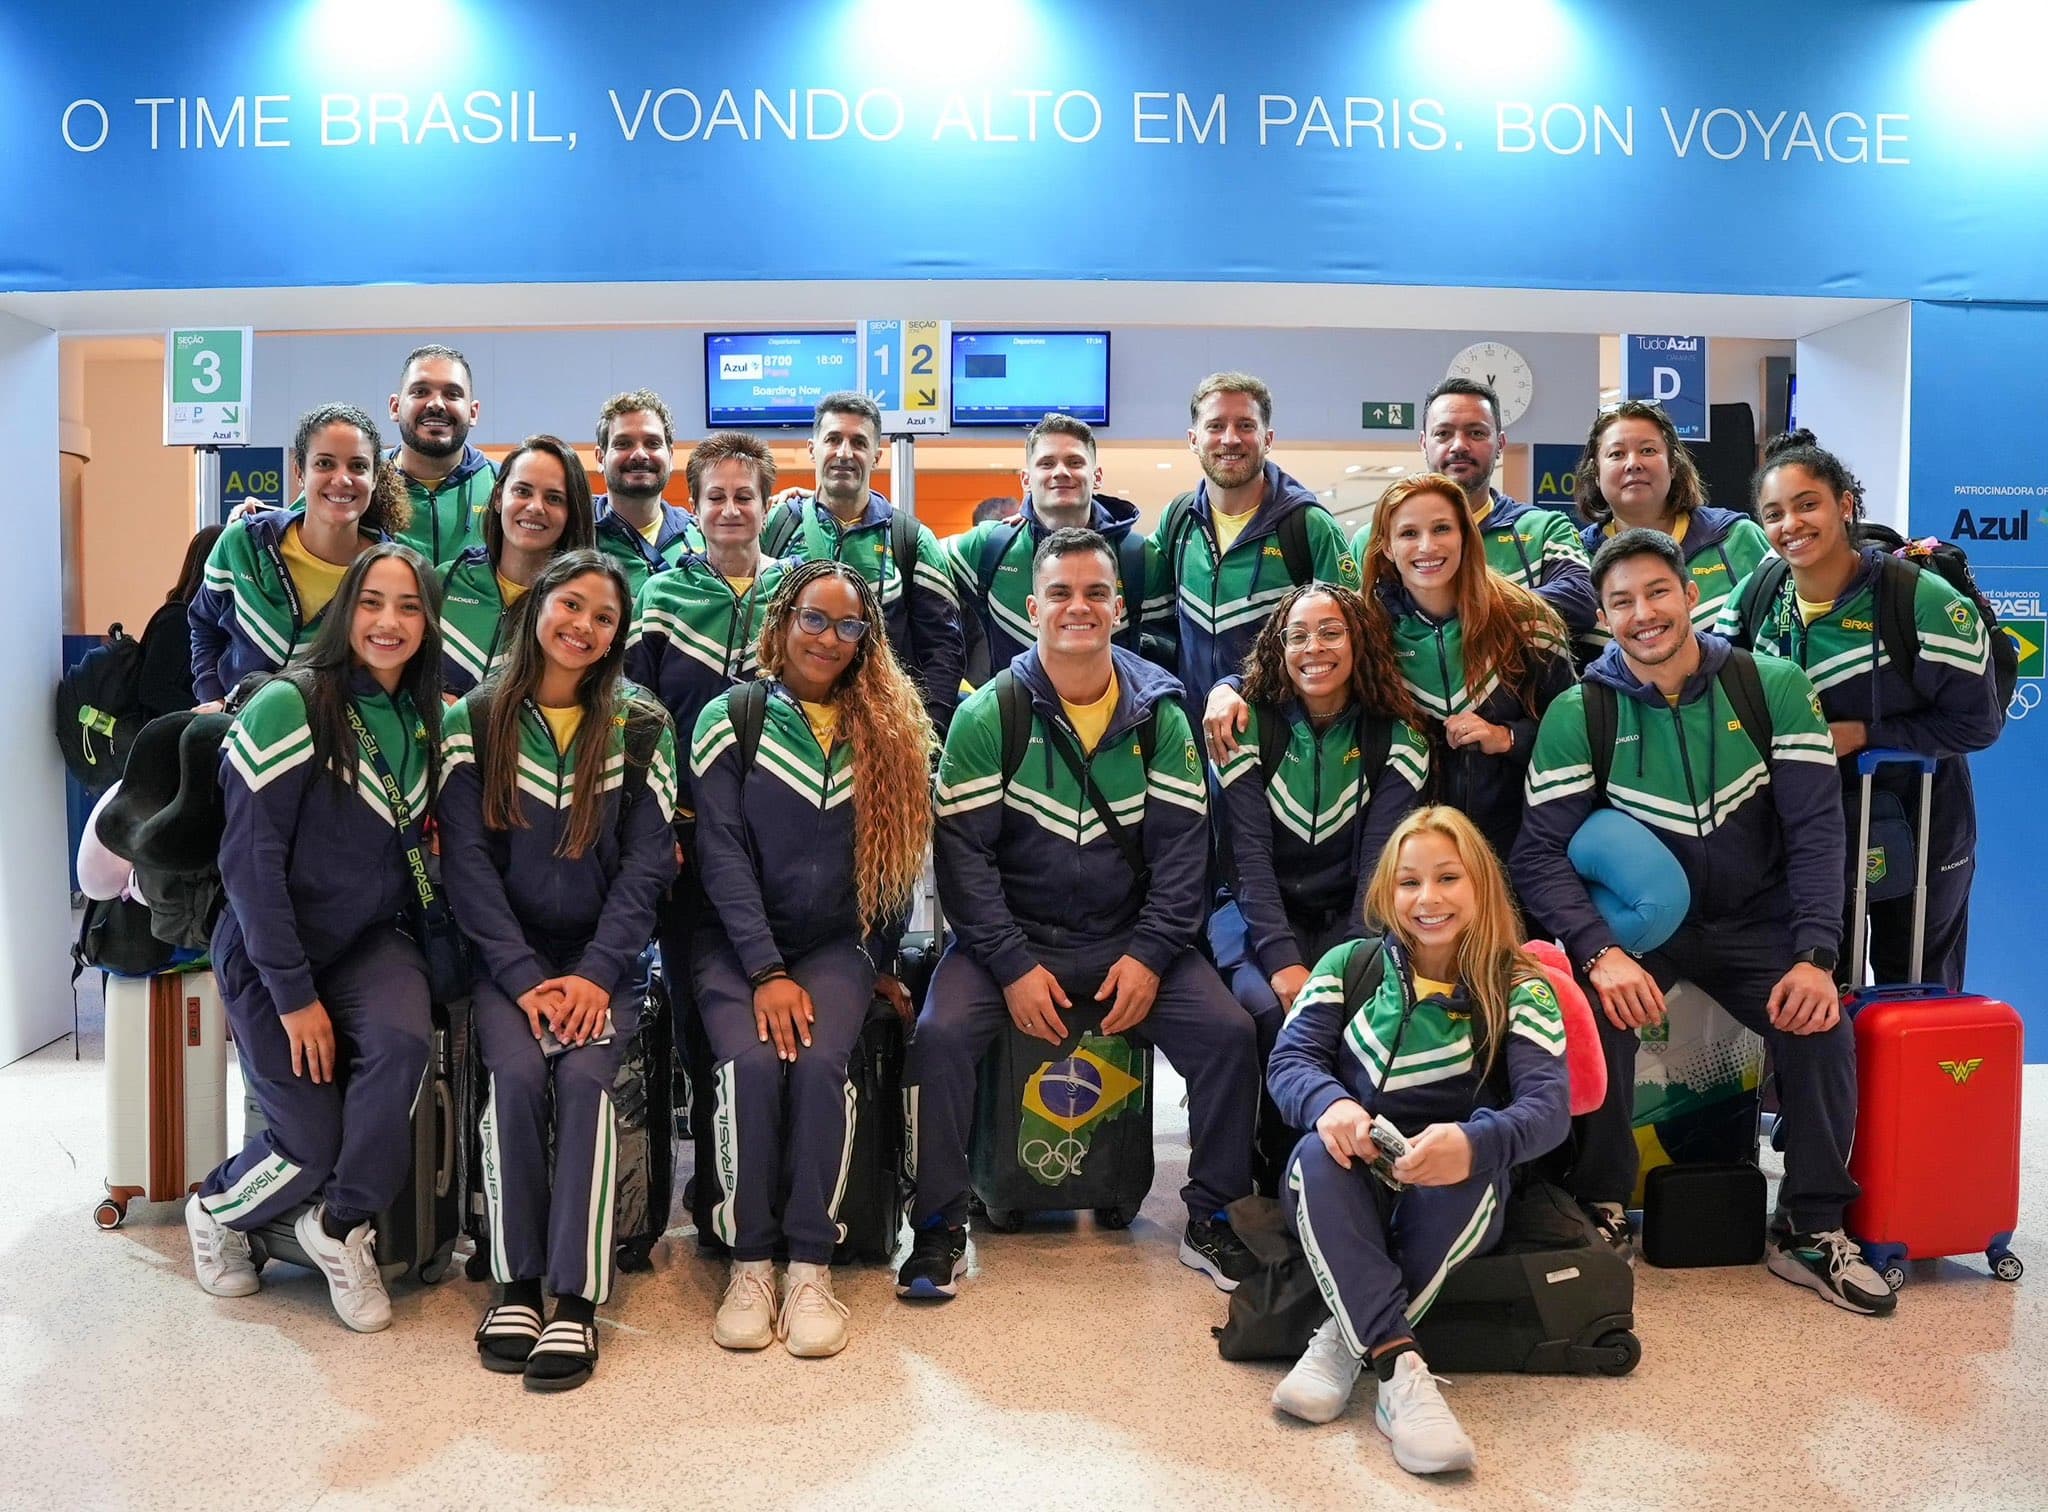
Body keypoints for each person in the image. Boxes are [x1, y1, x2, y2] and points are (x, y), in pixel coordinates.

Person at [1511, 529, 1894, 1315]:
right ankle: (1601, 1203)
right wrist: (1599, 952)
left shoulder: (1771, 684)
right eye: (1621, 602)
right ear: (1605, 615)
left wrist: (1816, 956)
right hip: (1644, 934)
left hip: (1760, 924)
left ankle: (1812, 1226)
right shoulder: (1579, 708)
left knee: (1822, 1028)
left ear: (1690, 595)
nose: (1643, 614)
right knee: (1592, 1016)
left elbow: (1819, 832)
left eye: (1658, 592)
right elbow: (1537, 856)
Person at [897, 528, 1260, 1302]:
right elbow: (965, 863)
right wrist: (1011, 965)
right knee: (938, 1037)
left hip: (1129, 938)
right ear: (1033, 608)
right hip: (1014, 941)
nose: (1079, 607)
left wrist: (1152, 956)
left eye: (1096, 592)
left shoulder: (1162, 711)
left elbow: (1183, 859)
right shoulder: (988, 714)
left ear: (1120, 608)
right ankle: (937, 1228)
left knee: (1229, 1035)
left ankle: (1212, 1215)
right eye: (1061, 593)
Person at [182, 543, 443, 1333]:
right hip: (271, 949)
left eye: (407, 606)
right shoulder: (287, 704)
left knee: (404, 1045)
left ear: (430, 622)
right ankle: (216, 1209)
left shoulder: (426, 718)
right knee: (308, 1144)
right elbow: (251, 867)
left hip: (367, 940)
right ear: (344, 612)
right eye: (370, 603)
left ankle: (338, 1227)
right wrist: (295, 998)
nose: (388, 622)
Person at [438, 549, 678, 1391]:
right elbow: (465, 868)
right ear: (539, 606)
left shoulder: (639, 724)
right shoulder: (473, 718)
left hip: (604, 963)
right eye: (570, 606)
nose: (583, 627)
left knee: (584, 1081)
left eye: (604, 617)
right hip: (511, 963)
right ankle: (514, 1278)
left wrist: (595, 976)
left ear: (620, 634)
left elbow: (648, 869)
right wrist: (521, 974)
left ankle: (574, 1296)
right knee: (512, 1071)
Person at [1267, 806, 1568, 1475]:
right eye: (1409, 883)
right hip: (1343, 1178)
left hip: (1449, 1189)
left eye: (1447, 878)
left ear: (1481, 884)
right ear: (1386, 893)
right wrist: (1331, 1104)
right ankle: (1401, 1369)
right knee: (1319, 1153)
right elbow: (1288, 1065)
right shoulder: (1348, 964)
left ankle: (1346, 1343)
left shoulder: (1522, 985)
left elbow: (1549, 1110)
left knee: (1470, 1175)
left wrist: (1476, 1142)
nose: (1427, 899)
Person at [689, 561, 932, 1358]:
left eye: (850, 626)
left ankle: (809, 1264)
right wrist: (764, 970)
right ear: (783, 618)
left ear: (869, 638)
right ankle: (749, 1260)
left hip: (837, 945)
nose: (831, 639)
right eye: (816, 620)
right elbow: (719, 852)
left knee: (823, 1060)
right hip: (734, 943)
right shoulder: (733, 715)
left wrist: (882, 958)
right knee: (754, 1066)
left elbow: (897, 864)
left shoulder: (888, 728)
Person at [1720, 430, 2001, 990]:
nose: (1791, 525)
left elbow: (1979, 721)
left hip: (1923, 823)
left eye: (1807, 505)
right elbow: (1726, 691)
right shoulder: (1757, 593)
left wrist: (1864, 734)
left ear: (1844, 504)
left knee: (1919, 985)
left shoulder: (1917, 599)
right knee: (1823, 987)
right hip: (1812, 829)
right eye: (1774, 514)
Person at [1207, 475, 1572, 865]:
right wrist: (1228, 688)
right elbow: (1297, 671)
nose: (1427, 546)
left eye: (1442, 529)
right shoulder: (1371, 628)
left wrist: (1508, 737)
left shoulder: (1527, 621)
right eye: (1409, 533)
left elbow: (1575, 735)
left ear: (1467, 536)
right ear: (1386, 548)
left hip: (1518, 846)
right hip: (1407, 857)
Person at [625, 430, 795, 1249]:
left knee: (771, 1003)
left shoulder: (798, 597)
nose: (731, 509)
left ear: (767, 504)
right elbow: (639, 726)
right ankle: (714, 1174)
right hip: (691, 847)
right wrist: (661, 828)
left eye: (745, 495)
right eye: (716, 496)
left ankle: (769, 1173)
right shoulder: (660, 599)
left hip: (788, 845)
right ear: (694, 505)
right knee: (701, 1010)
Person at [1208, 583, 1430, 1187]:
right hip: (1254, 917)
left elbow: (1378, 867)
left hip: (1348, 918)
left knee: (1355, 1014)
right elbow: (1246, 858)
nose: (1315, 648)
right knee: (1267, 1013)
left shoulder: (1397, 734)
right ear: (1279, 648)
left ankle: (1346, 1166)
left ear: (1360, 642)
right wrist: (1281, 962)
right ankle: (1274, 1171)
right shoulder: (1249, 724)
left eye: (1332, 632)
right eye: (1298, 635)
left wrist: (1349, 965)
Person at [1150, 371, 1360, 733]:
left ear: (1268, 438)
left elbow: (1350, 645)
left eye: (1245, 425)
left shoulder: (1308, 528)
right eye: (1215, 426)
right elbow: (1154, 629)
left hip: (1283, 747)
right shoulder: (1178, 521)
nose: (1230, 439)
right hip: (1194, 742)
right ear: (1193, 439)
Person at [762, 391, 963, 736]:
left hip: (881, 731)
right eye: (833, 439)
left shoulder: (910, 539)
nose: (844, 453)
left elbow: (943, 650)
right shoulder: (777, 526)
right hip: (785, 726)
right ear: (813, 449)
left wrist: (927, 736)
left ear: (876, 456)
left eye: (858, 442)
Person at [189, 403, 409, 706]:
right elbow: (203, 625)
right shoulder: (244, 543)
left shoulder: (390, 572)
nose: (342, 478)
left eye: (358, 466)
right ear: (300, 472)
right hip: (235, 732)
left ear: (374, 478)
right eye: (325, 464)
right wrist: (211, 696)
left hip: (334, 740)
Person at [1353, 377, 1595, 639]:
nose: (1459, 446)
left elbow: (1581, 601)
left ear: (1500, 444)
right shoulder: (1374, 539)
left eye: (1476, 433)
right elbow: (1349, 621)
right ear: (1424, 443)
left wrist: (1465, 614)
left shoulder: (1543, 529)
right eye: (1443, 433)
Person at [941, 412, 1151, 684]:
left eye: (1075, 462)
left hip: (1114, 721)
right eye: (1047, 463)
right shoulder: (989, 546)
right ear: (1026, 480)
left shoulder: (1138, 555)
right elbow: (912, 557)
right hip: (1012, 721)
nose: (1061, 472)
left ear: (1097, 476)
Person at [1572, 399, 1772, 658]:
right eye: (1616, 454)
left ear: (1673, 465)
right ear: (1596, 475)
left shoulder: (1735, 538)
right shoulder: (1574, 557)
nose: (1633, 463)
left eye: (1647, 450)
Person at [438, 435, 597, 697]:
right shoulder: (446, 580)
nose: (535, 507)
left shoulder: (576, 608)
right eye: (522, 491)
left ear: (573, 512)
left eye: (554, 498)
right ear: (499, 497)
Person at [386, 343, 496, 567]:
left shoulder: (503, 483)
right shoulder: (363, 478)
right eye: (420, 392)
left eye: (452, 394)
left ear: (473, 412)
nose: (436, 404)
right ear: (395, 407)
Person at [591, 389, 702, 599]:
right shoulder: (574, 533)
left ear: (670, 456)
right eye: (623, 443)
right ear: (600, 458)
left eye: (653, 443)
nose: (640, 454)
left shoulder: (701, 535)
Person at [137, 524, 222, 718]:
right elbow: (152, 689)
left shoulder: (212, 623)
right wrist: (208, 711)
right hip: (163, 738)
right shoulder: (178, 620)